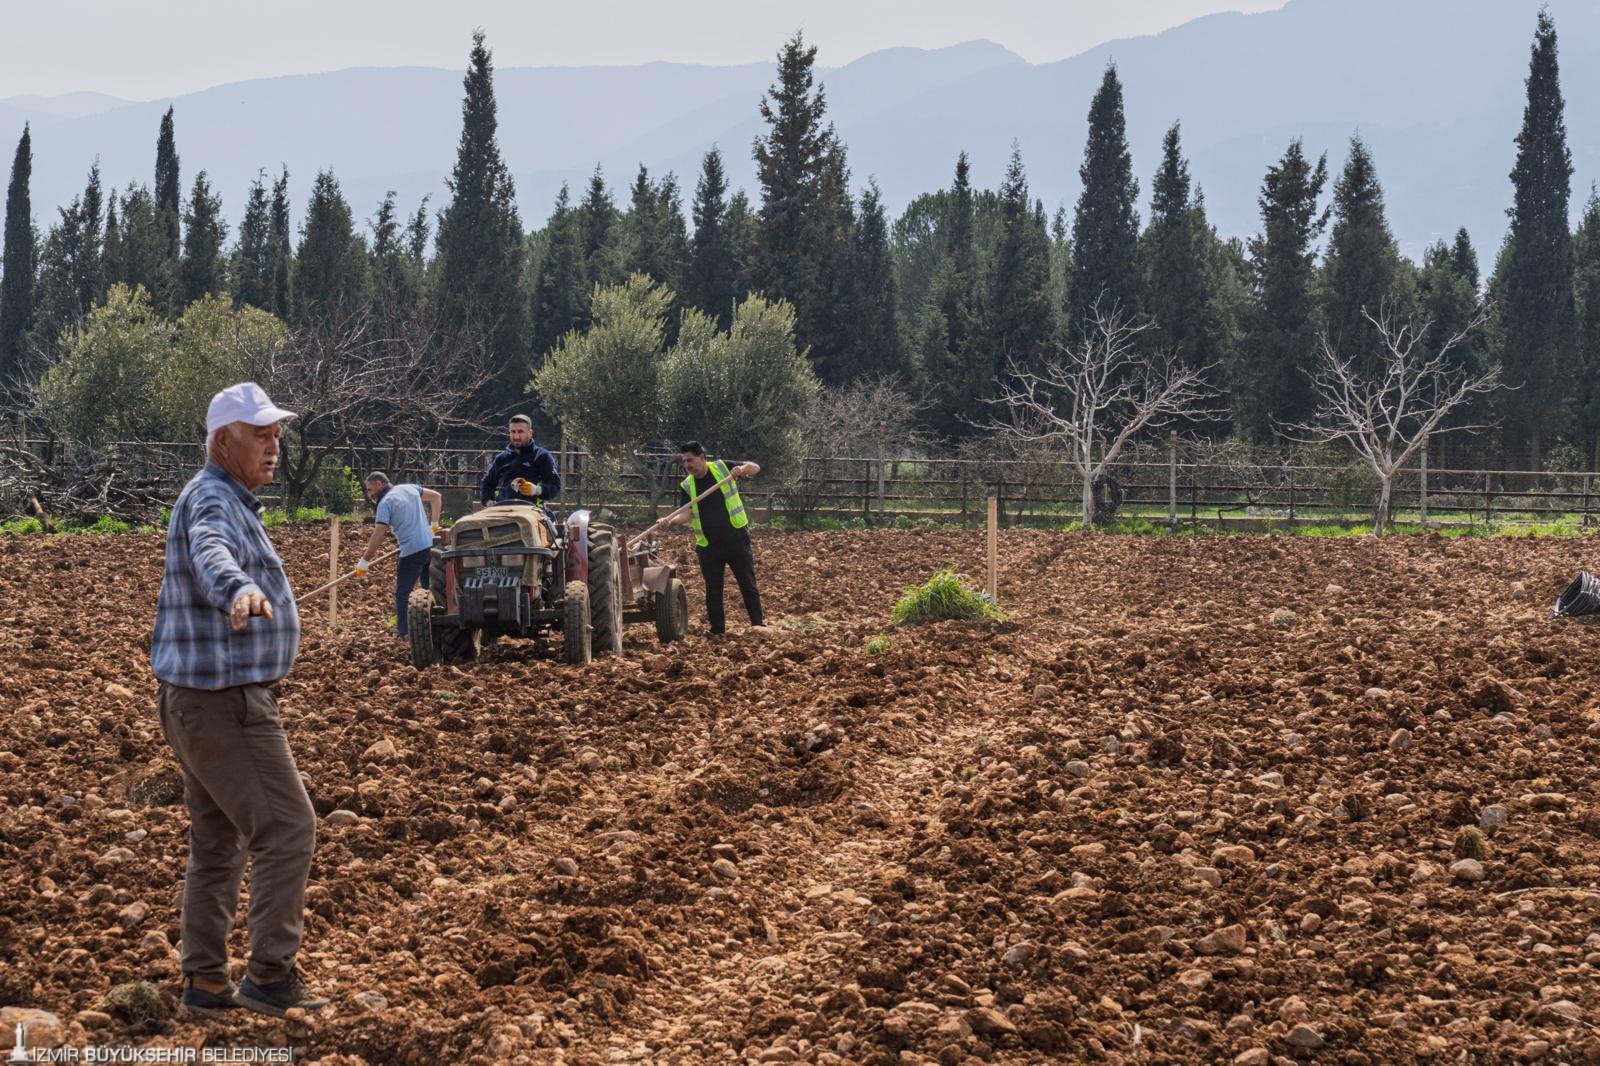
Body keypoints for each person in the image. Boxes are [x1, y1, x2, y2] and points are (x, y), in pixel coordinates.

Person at [149, 382, 328, 1019]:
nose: (274, 446)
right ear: (223, 440)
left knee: (217, 841)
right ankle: (270, 978)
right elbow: (210, 550)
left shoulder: (228, 497)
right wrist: (237, 589)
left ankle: (205, 984)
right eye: (261, 434)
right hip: (224, 706)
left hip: (195, 704)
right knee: (288, 827)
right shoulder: (213, 498)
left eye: (277, 434)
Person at [666, 441, 765, 636]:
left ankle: (758, 625)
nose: (687, 465)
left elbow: (756, 467)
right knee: (713, 591)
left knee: (747, 584)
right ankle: (717, 631)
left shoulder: (721, 467)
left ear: (702, 457)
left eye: (690, 460)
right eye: (684, 461)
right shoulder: (687, 485)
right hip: (709, 546)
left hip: (736, 539)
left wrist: (742, 469)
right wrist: (670, 521)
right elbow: (686, 514)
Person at [354, 472, 442, 638]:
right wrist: (434, 524)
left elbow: (379, 535)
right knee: (428, 590)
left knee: (403, 593)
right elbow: (436, 497)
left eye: (370, 489)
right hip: (430, 545)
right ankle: (434, 629)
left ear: (379, 484)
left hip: (412, 551)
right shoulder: (409, 488)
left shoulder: (385, 503)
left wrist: (364, 560)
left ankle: (404, 633)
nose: (370, 494)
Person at [479, 414, 560, 508]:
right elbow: (487, 483)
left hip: (532, 511)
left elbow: (555, 486)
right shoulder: (502, 458)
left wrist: (537, 490)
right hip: (503, 510)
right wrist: (488, 501)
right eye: (513, 432)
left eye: (520, 432)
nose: (516, 436)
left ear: (530, 433)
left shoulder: (542, 456)